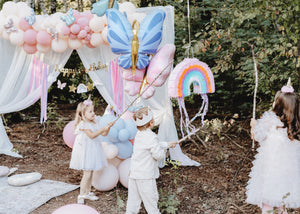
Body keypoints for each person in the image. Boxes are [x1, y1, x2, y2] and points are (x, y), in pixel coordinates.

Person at [246, 78, 300, 214]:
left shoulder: (270, 120)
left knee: (268, 202)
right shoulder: (295, 127)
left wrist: (253, 126)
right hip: (288, 174)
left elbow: (257, 136)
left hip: (270, 171)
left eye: (275, 100)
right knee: (281, 201)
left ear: (279, 105)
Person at [125, 106, 177, 214]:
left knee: (133, 203)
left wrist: (167, 144)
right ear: (151, 123)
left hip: (134, 174)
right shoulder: (152, 137)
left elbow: (151, 145)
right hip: (146, 176)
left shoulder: (139, 135)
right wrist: (164, 151)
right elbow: (158, 155)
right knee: (151, 202)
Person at [69, 97, 114, 204]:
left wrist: (108, 127)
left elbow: (104, 134)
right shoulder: (83, 124)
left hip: (93, 150)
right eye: (90, 111)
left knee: (91, 171)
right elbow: (92, 135)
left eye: (93, 111)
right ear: (82, 114)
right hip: (86, 151)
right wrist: (103, 129)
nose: (93, 113)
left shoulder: (94, 122)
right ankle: (81, 194)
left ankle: (88, 192)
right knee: (87, 173)